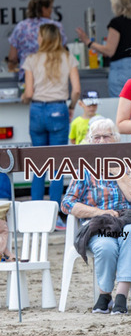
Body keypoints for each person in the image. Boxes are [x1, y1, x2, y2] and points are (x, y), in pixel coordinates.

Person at [61, 118, 131, 315]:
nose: (101, 141)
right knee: (106, 246)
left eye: (106, 136)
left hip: (127, 221)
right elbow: (67, 203)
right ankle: (105, 295)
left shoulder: (127, 166)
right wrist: (99, 212)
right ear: (90, 141)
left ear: (116, 139)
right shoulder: (84, 169)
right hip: (99, 224)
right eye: (96, 137)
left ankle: (122, 296)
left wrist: (119, 174)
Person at [21, 23, 80, 230]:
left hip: (37, 111)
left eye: (38, 35)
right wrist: (71, 107)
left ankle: (36, 217)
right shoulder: (68, 58)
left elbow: (29, 93)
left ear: (43, 38)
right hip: (58, 110)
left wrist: (24, 98)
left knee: (38, 164)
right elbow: (76, 90)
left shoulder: (31, 60)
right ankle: (55, 217)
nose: (37, 38)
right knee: (57, 165)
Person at [75, 0, 131, 97]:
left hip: (120, 70)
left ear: (116, 4)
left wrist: (88, 42)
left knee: (120, 104)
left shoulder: (116, 23)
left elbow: (109, 51)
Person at [8, 0, 67, 80]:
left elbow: (13, 58)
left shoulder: (20, 27)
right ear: (44, 9)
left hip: (27, 77)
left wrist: (11, 69)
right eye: (51, 7)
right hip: (51, 76)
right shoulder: (56, 27)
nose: (51, 11)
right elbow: (63, 53)